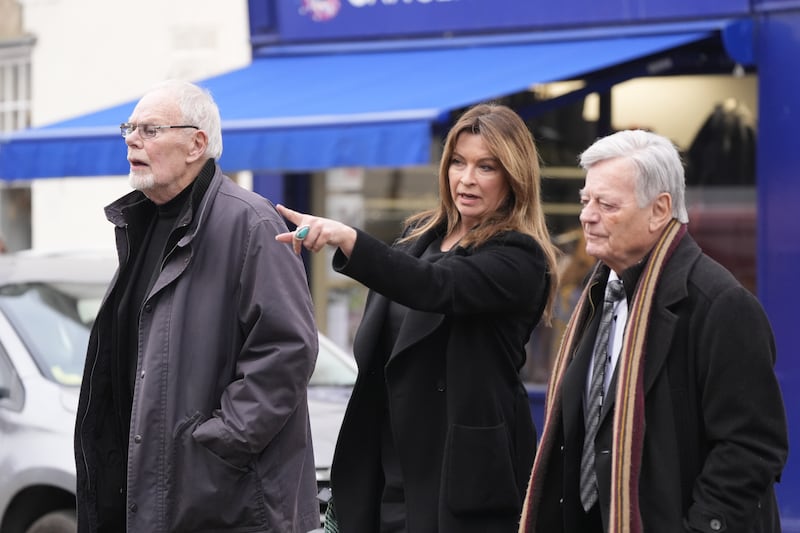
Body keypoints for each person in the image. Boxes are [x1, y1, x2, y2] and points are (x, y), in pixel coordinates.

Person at [275, 103, 560, 532]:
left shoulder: (519, 257)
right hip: (384, 472)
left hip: (459, 483)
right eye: (458, 163)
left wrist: (348, 238)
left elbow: (435, 287)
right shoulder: (415, 243)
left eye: (486, 167)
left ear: (513, 177)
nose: (466, 179)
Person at [74, 80, 320, 533]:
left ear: (196, 144)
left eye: (150, 129)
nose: (132, 139)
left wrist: (217, 442)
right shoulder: (141, 222)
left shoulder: (252, 222)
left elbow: (287, 350)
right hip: (152, 491)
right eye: (129, 128)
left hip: (226, 502)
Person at [518, 130, 789, 533]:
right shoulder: (599, 294)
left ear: (660, 210)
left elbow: (752, 448)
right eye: (585, 201)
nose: (586, 216)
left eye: (606, 204)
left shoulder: (720, 304)